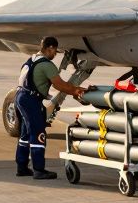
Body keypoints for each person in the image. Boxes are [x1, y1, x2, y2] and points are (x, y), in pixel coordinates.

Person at [15, 36, 90, 179]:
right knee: (38, 133)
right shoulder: (46, 65)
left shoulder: (30, 60)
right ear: (50, 48)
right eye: (55, 51)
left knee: (25, 134)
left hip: (21, 97)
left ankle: (22, 167)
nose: (55, 54)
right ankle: (39, 170)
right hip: (31, 100)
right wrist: (76, 91)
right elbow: (59, 85)